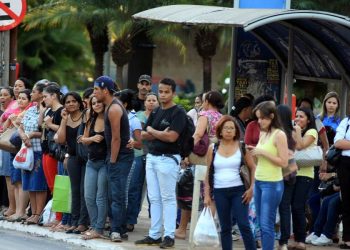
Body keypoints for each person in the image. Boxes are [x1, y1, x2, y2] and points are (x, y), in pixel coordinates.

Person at [135, 78, 186, 248]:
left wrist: (152, 131)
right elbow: (143, 134)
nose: (163, 95)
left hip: (168, 159)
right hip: (152, 158)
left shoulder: (178, 112)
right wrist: (157, 132)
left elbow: (172, 137)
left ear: (173, 93)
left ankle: (169, 235)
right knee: (154, 198)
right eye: (161, 91)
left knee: (168, 198)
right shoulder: (156, 111)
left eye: (166, 92)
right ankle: (154, 234)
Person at [176, 90, 224, 240]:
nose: (202, 104)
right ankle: (206, 231)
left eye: (203, 101)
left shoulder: (205, 115)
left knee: (190, 193)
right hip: (218, 158)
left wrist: (187, 153)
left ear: (208, 101)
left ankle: (184, 230)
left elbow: (197, 135)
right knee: (210, 195)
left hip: (202, 159)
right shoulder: (223, 117)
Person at [204, 115, 256, 250]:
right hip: (219, 191)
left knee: (243, 224)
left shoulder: (241, 147)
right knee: (225, 227)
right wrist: (207, 195)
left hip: (239, 191)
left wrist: (251, 188)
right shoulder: (213, 148)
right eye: (225, 128)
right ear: (220, 131)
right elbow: (208, 172)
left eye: (231, 128)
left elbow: (253, 167)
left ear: (236, 131)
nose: (228, 130)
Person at [93, 76, 134, 242]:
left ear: (105, 90)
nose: (94, 93)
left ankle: (116, 230)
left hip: (120, 156)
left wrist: (113, 161)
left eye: (96, 89)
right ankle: (120, 228)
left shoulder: (114, 109)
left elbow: (116, 138)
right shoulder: (110, 105)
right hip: (117, 155)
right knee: (114, 194)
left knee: (116, 195)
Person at [249, 101, 288, 250]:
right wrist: (254, 153)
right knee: (261, 222)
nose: (259, 121)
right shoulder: (263, 132)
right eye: (258, 118)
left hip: (272, 184)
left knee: (266, 224)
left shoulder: (280, 135)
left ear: (272, 116)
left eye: (262, 118)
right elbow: (260, 159)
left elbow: (284, 162)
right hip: (259, 181)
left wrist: (262, 152)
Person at [56, 92, 89, 234]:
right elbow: (61, 140)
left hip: (87, 158)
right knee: (75, 191)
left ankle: (83, 222)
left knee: (84, 191)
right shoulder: (66, 118)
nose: (71, 104)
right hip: (73, 158)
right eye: (68, 102)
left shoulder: (86, 116)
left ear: (79, 102)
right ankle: (74, 222)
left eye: (74, 101)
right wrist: (63, 121)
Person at [18, 82, 48, 225]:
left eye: (34, 91)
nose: (31, 94)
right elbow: (20, 126)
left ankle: (38, 213)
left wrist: (30, 135)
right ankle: (32, 212)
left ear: (42, 94)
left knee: (39, 183)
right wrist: (24, 136)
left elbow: (42, 131)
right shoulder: (30, 109)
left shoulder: (46, 110)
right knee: (29, 182)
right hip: (27, 150)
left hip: (38, 151)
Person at [289, 107, 318, 250]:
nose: (298, 119)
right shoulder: (294, 131)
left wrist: (298, 131)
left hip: (305, 175)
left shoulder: (312, 132)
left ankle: (301, 240)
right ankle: (296, 238)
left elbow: (300, 146)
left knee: (298, 206)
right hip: (294, 173)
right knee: (293, 207)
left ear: (308, 119)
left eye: (301, 116)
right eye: (296, 116)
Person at [81, 96, 108, 240]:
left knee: (100, 197)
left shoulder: (110, 119)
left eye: (99, 102)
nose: (97, 105)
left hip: (105, 162)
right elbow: (83, 139)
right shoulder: (91, 120)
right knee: (89, 196)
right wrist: (92, 139)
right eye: (93, 103)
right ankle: (94, 225)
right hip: (91, 162)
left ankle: (99, 228)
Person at [117, 89, 144, 232]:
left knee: (129, 190)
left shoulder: (134, 120)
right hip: (116, 158)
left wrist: (132, 142)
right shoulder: (114, 116)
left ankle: (128, 220)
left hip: (130, 159)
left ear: (125, 104)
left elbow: (139, 143)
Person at [6, 89, 32, 222]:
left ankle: (21, 211)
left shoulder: (29, 112)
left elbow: (23, 129)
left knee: (21, 181)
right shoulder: (15, 112)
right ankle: (17, 210)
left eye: (24, 98)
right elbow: (5, 127)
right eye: (19, 98)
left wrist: (16, 121)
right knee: (15, 181)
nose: (20, 100)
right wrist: (11, 119)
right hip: (13, 149)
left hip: (22, 149)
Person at [40, 84, 64, 226]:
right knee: (51, 185)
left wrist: (50, 124)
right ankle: (56, 214)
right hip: (46, 150)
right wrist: (43, 113)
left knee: (57, 185)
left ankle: (59, 217)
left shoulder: (61, 111)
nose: (43, 99)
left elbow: (62, 131)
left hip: (55, 152)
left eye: (45, 96)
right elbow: (40, 126)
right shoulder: (49, 110)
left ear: (54, 95)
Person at [276, 105, 297, 250]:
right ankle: (283, 242)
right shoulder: (293, 131)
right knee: (285, 207)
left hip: (277, 171)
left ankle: (274, 237)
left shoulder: (276, 133)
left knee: (271, 206)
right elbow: (298, 147)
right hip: (290, 171)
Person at [306, 173, 341, 246]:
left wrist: (332, 175)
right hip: (335, 186)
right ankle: (317, 232)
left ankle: (328, 234)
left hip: (340, 188)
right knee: (323, 201)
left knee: (332, 202)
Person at [333, 115, 350, 248]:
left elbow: (343, 143)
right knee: (347, 201)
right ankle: (347, 238)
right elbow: (338, 142)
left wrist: (347, 143)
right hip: (345, 164)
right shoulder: (346, 121)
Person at [0, 87, 16, 219]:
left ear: (12, 97)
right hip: (3, 143)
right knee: (6, 176)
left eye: (5, 95)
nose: (2, 98)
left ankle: (12, 207)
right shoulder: (5, 110)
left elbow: (5, 128)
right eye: (1, 95)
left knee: (10, 176)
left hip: (9, 144)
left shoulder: (14, 108)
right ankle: (11, 206)